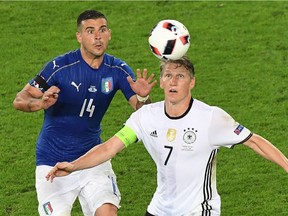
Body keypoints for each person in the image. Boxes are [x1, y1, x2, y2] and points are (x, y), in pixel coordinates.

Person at [46, 56, 288, 216]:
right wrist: (74, 166)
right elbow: (110, 147)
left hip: (198, 210)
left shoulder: (211, 118)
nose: (173, 81)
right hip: (160, 209)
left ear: (191, 83)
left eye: (180, 76)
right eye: (168, 76)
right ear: (161, 82)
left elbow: (254, 141)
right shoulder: (146, 117)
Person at [13, 10, 157, 216]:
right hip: (52, 164)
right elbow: (19, 99)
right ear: (79, 36)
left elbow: (145, 117)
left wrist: (143, 98)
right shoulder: (60, 67)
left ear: (110, 34)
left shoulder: (118, 69)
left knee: (107, 212)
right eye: (90, 31)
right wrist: (40, 103)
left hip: (92, 160)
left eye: (102, 30)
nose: (97, 36)